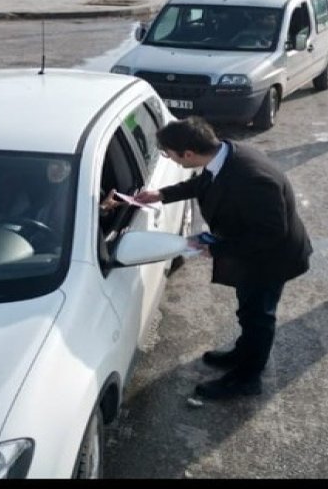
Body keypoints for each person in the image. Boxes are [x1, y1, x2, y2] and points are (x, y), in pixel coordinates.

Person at [131, 116, 313, 401]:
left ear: (188, 153)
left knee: (258, 317)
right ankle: (242, 353)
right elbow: (205, 183)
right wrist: (161, 195)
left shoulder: (252, 178)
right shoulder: (223, 154)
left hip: (270, 259)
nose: (171, 160)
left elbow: (271, 234)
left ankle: (247, 379)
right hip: (251, 251)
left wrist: (216, 249)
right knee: (248, 310)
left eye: (170, 154)